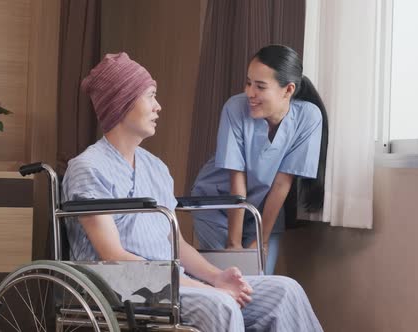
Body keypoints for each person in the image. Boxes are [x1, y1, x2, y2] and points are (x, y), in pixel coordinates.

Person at [62, 52, 323, 332]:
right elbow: (113, 257)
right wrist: (202, 286)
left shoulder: (156, 168)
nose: (158, 106)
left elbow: (178, 245)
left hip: (169, 283)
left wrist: (217, 276)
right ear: (121, 103)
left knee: (285, 291)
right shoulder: (88, 168)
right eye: (150, 96)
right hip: (124, 285)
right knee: (221, 305)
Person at [191, 44, 328, 275]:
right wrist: (234, 245)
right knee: (231, 279)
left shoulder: (308, 117)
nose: (250, 93)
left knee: (261, 280)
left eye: (260, 86)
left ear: (288, 90)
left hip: (264, 212)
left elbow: (282, 183)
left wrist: (261, 240)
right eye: (248, 83)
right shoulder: (234, 109)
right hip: (217, 204)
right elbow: (237, 177)